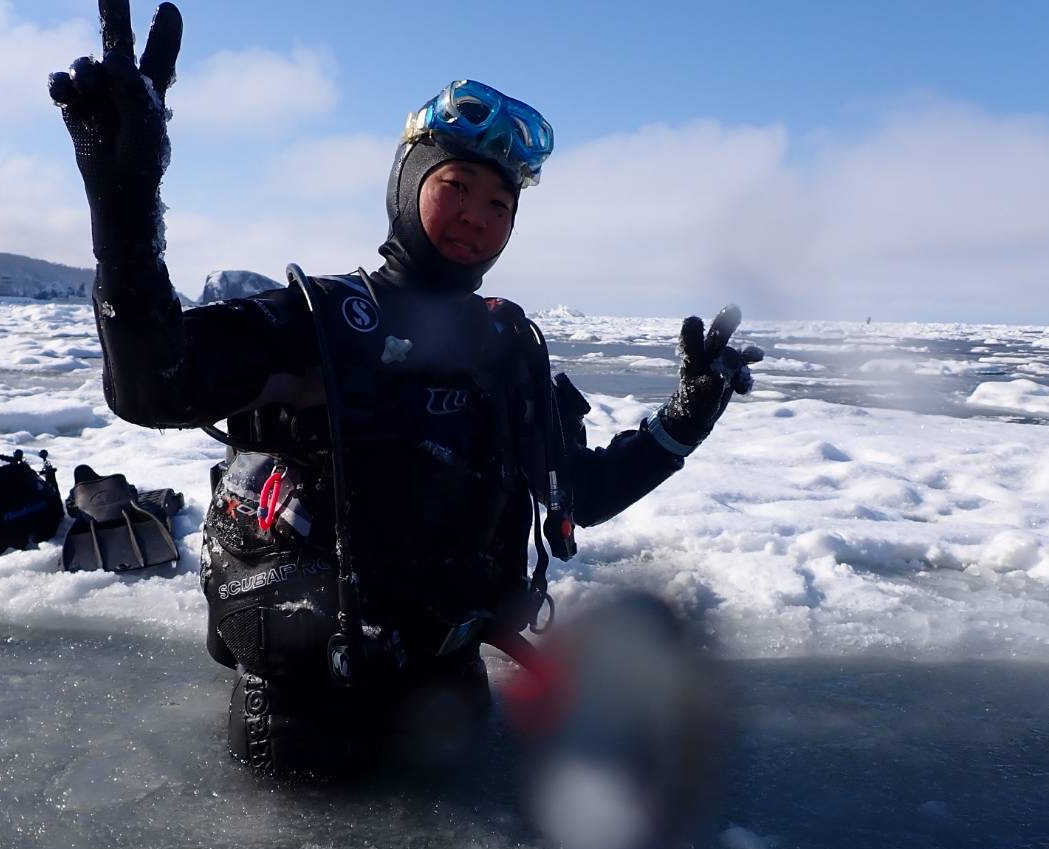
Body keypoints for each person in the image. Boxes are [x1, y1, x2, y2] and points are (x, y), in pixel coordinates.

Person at [50, 1, 763, 773]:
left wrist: (685, 419)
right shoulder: (320, 319)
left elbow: (578, 492)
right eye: (456, 186)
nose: (477, 217)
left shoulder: (505, 343)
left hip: (447, 687)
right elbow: (154, 387)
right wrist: (123, 211)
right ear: (408, 182)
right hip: (306, 705)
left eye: (500, 204)